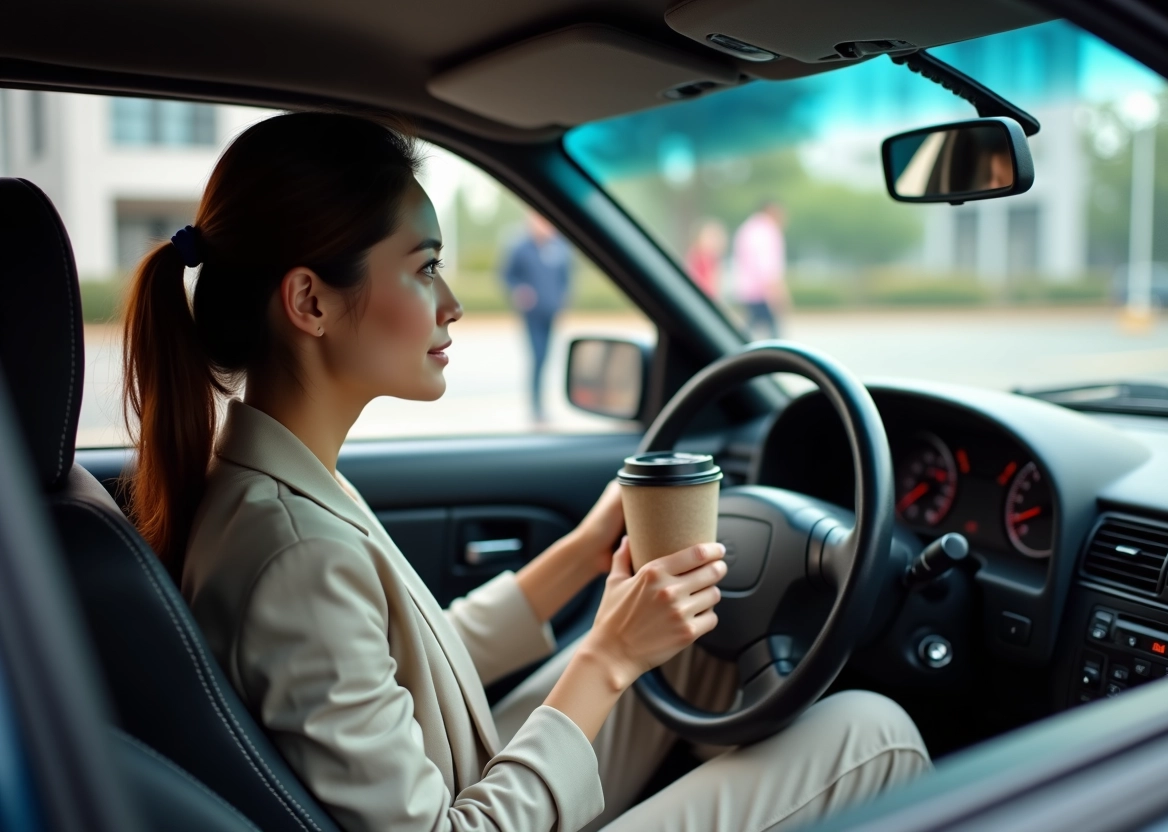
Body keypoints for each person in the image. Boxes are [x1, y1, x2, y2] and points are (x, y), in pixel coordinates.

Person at [120, 112, 930, 832]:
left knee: (695, 648)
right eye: (424, 266)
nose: (451, 304)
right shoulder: (295, 550)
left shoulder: (272, 482)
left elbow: (416, 665)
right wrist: (607, 658)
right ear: (311, 302)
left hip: (453, 777)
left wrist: (584, 552)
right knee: (871, 733)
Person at [502, 211, 572, 421]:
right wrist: (518, 291)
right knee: (538, 357)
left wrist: (563, 299)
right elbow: (507, 275)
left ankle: (541, 405)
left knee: (547, 358)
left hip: (552, 313)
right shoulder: (520, 248)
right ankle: (536, 407)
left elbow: (566, 277)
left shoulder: (560, 247)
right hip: (531, 315)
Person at [732, 201, 791, 338]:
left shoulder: (748, 228)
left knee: (751, 328)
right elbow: (766, 266)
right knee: (773, 332)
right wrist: (777, 292)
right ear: (772, 211)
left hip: (748, 290)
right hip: (762, 292)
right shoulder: (766, 231)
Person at [685, 218, 727, 298]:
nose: (714, 242)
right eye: (710, 237)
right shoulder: (697, 258)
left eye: (716, 238)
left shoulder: (714, 260)